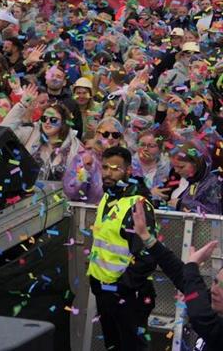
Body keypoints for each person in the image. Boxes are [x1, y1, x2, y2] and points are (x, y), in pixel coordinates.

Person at [86, 146, 157, 351]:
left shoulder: (137, 204)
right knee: (113, 345)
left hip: (127, 294)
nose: (108, 173)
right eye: (105, 167)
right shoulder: (108, 197)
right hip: (105, 290)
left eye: (115, 169)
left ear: (128, 171)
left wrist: (122, 287)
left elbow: (147, 256)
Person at [132, 199, 223, 349]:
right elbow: (181, 276)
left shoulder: (214, 325)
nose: (214, 290)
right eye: (215, 282)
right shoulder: (213, 302)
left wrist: (192, 266)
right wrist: (147, 238)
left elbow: (199, 314)